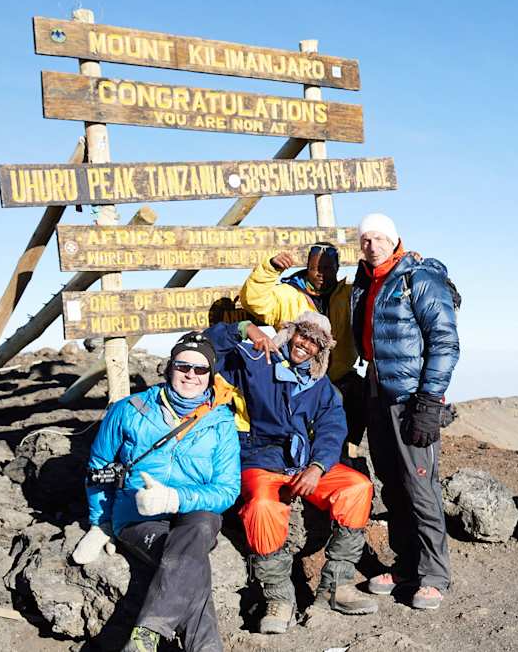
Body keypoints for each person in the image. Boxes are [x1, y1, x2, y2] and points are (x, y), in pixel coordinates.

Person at [204, 313, 377, 633]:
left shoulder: (320, 385)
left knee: (356, 488)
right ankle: (279, 598)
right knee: (262, 507)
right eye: (302, 335)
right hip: (259, 461)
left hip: (304, 464)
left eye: (315, 342)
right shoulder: (255, 360)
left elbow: (332, 428)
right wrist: (245, 329)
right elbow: (205, 347)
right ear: (291, 332)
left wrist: (318, 466)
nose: (305, 345)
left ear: (321, 350)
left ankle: (336, 587)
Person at [73, 331, 240, 652]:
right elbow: (100, 467)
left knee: (201, 526)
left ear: (210, 375)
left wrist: (176, 498)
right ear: (169, 367)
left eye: (200, 369)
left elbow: (227, 490)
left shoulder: (221, 422)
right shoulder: (129, 409)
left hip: (193, 514)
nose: (191, 375)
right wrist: (100, 521)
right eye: (183, 366)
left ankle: (144, 637)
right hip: (138, 516)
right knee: (190, 560)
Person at [351, 213, 459, 610]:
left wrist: (429, 402)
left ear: (394, 240)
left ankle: (434, 575)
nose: (372, 246)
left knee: (420, 485)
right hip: (377, 393)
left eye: (379, 238)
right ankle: (406, 565)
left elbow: (445, 342)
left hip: (411, 399)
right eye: (365, 240)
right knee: (392, 483)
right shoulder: (366, 280)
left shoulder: (418, 278)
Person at [238, 243, 367, 459]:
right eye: (315, 268)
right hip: (295, 376)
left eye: (327, 268)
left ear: (337, 268)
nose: (321, 274)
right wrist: (270, 268)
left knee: (361, 392)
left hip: (339, 375)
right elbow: (253, 300)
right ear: (307, 267)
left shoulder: (347, 295)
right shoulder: (288, 294)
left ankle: (346, 451)